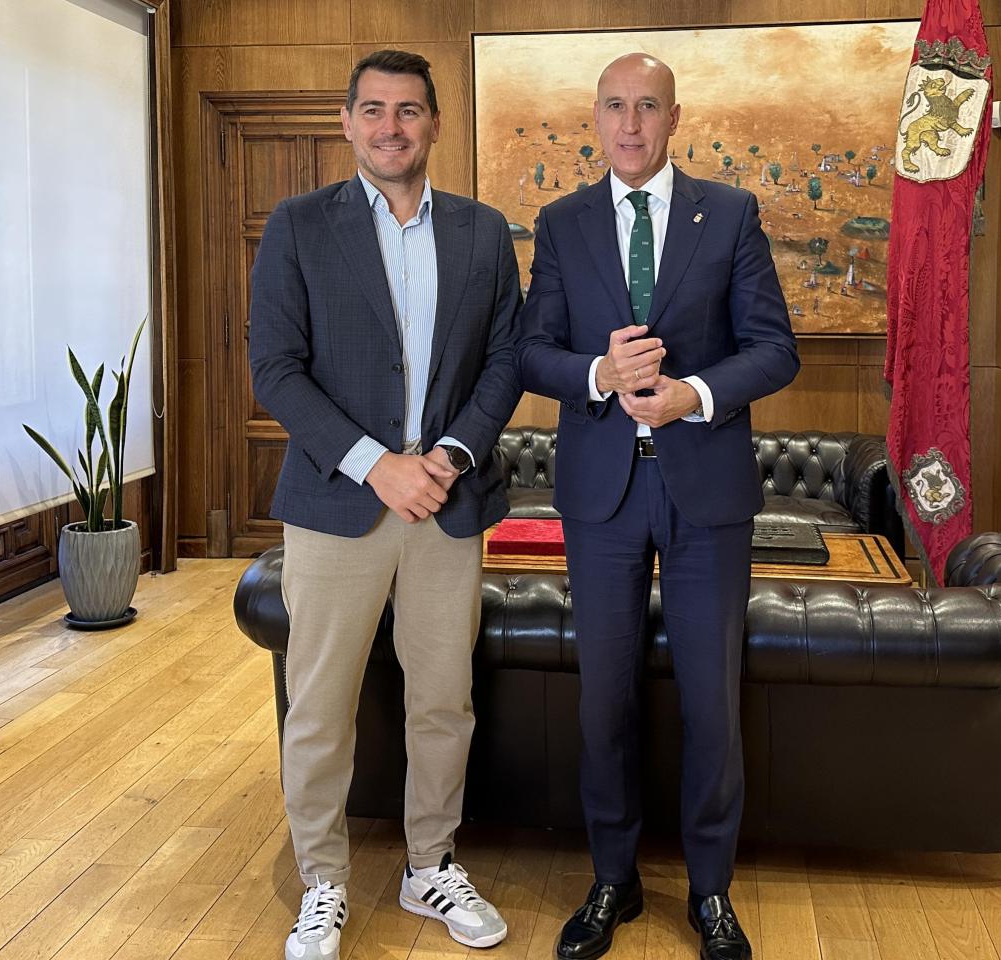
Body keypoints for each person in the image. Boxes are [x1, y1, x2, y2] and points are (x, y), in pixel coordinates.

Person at [517, 53, 799, 960]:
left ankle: (712, 891)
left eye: (647, 107)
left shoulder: (732, 214)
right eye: (614, 107)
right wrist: (598, 373)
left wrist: (695, 396)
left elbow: (773, 349)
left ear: (676, 117)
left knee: (712, 701)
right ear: (593, 118)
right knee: (605, 699)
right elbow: (532, 353)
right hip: (602, 494)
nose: (630, 124)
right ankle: (613, 879)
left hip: (705, 489)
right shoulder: (562, 223)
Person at [248, 49, 522, 960]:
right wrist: (377, 465)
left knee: (444, 700)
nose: (391, 127)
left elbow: (505, 363)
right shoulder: (297, 226)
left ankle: (429, 863)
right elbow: (276, 371)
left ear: (435, 124)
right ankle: (323, 881)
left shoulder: (484, 234)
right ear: (347, 121)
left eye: (409, 111)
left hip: (445, 502)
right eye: (373, 110)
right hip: (337, 506)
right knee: (319, 704)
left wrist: (445, 455)